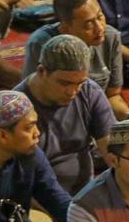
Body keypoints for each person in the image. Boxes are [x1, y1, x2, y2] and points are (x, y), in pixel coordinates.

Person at [15, 33, 115, 194]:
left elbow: (112, 150)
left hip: (84, 192)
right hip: (39, 198)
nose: (72, 92)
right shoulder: (17, 108)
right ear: (42, 71)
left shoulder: (89, 91)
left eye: (79, 83)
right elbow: (18, 181)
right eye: (64, 83)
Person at [23, 0, 128, 118]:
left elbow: (112, 95)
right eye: (88, 24)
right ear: (65, 29)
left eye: (100, 17)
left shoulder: (110, 37)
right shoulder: (41, 43)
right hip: (53, 115)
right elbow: (33, 99)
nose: (100, 28)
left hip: (93, 114)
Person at [0, 91, 71, 221]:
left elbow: (56, 199)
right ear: (3, 135)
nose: (37, 133)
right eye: (29, 127)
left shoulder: (32, 155)